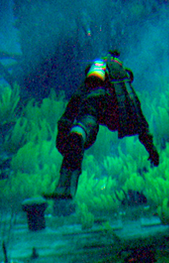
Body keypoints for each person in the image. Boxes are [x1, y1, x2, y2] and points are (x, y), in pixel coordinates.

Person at [46, 51, 160, 199]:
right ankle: (70, 189)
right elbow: (137, 112)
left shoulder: (93, 77)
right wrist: (151, 149)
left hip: (93, 101)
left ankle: (65, 183)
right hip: (111, 106)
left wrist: (63, 129)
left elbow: (75, 101)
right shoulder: (121, 75)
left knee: (83, 129)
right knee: (84, 131)